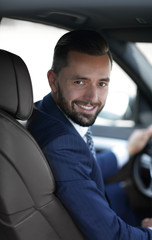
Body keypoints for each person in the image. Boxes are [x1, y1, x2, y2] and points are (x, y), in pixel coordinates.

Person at [27, 30, 152, 239]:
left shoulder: (48, 112)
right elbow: (111, 235)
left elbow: (83, 166)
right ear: (53, 80)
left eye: (102, 83)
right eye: (80, 82)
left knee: (124, 193)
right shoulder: (61, 144)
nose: (92, 98)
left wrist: (127, 150)